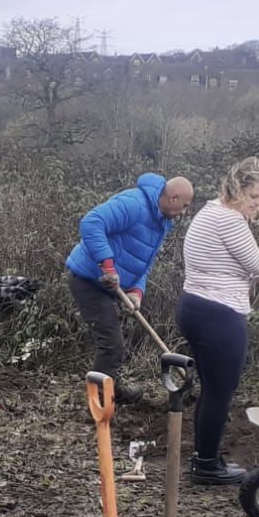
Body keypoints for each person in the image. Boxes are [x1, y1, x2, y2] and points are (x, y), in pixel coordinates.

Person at [176, 157, 259, 485]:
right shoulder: (228, 219)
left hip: (196, 307)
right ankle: (206, 465)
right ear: (237, 189)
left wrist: (258, 274)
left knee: (211, 389)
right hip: (218, 314)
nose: (257, 203)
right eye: (253, 196)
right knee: (220, 391)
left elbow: (225, 263)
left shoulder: (210, 212)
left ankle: (204, 458)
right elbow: (256, 262)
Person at [64, 172, 195, 402]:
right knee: (111, 344)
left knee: (115, 342)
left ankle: (111, 387)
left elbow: (145, 261)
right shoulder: (134, 204)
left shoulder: (161, 222)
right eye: (184, 206)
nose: (184, 212)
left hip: (110, 286)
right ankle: (100, 401)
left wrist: (136, 291)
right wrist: (107, 265)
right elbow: (92, 222)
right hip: (88, 279)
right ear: (173, 197)